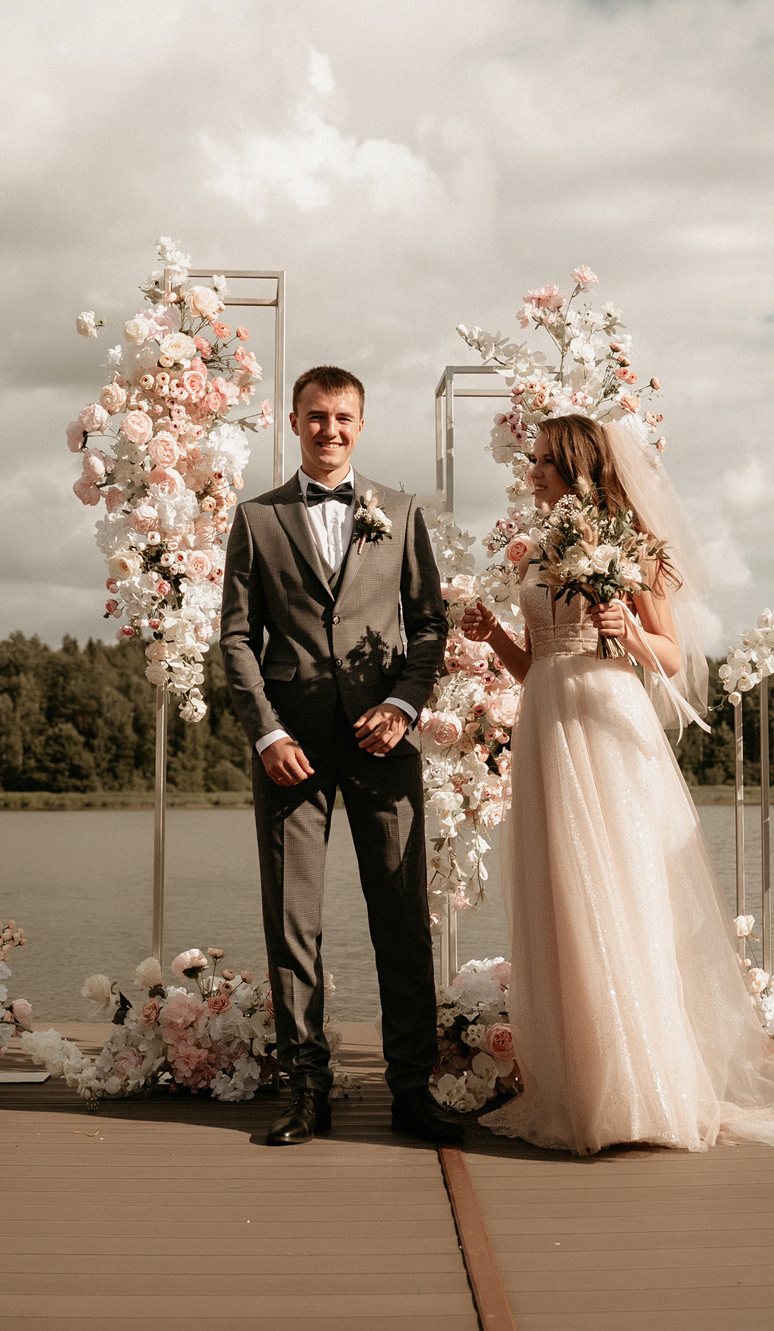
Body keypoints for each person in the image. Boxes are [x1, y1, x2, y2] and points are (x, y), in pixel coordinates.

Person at [460, 415, 774, 1153]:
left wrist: (628, 627)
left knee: (622, 891)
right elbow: (534, 664)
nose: (533, 470)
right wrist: (497, 639)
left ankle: (643, 1089)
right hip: (546, 721)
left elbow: (670, 657)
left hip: (608, 721)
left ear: (579, 469)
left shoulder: (629, 544)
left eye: (547, 460)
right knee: (562, 898)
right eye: (534, 458)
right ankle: (582, 1085)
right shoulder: (537, 550)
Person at [218, 365, 462, 1146]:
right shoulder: (256, 519)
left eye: (344, 417)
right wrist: (266, 732)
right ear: (293, 422)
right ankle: (304, 1090)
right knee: (293, 924)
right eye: (316, 416)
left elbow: (428, 624)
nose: (330, 429)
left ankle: (412, 1090)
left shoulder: (399, 510)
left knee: (401, 919)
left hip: (382, 741)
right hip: (290, 749)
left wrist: (400, 705)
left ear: (361, 423)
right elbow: (235, 638)